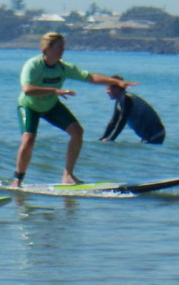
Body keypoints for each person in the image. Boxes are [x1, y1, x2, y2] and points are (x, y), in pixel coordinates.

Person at [11, 32, 136, 187]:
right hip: (29, 106)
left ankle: (67, 175)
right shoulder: (33, 65)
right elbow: (27, 89)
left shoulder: (63, 68)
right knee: (28, 140)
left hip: (50, 105)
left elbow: (89, 77)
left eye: (63, 47)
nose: (63, 50)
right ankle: (17, 180)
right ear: (47, 48)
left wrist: (115, 82)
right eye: (59, 47)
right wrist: (54, 91)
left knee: (77, 131)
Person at [100, 77, 166, 144]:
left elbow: (122, 120)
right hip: (149, 135)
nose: (106, 92)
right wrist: (102, 139)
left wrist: (111, 138)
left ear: (116, 89)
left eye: (108, 89)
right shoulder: (119, 101)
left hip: (155, 133)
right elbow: (113, 122)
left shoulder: (126, 99)